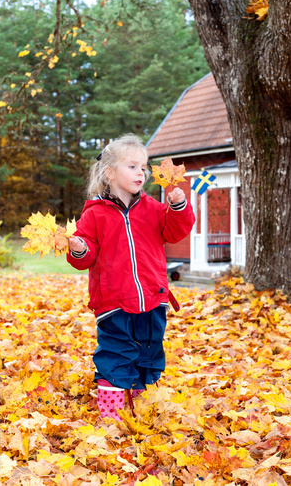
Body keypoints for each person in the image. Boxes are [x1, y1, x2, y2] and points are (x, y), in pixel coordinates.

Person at [67, 134, 195, 421]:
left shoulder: (152, 208)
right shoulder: (94, 215)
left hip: (153, 296)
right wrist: (79, 248)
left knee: (148, 353)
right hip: (113, 302)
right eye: (133, 166)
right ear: (110, 172)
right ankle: (111, 418)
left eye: (144, 167)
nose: (142, 173)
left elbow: (176, 231)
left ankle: (142, 409)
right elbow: (85, 256)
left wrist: (177, 207)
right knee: (115, 354)